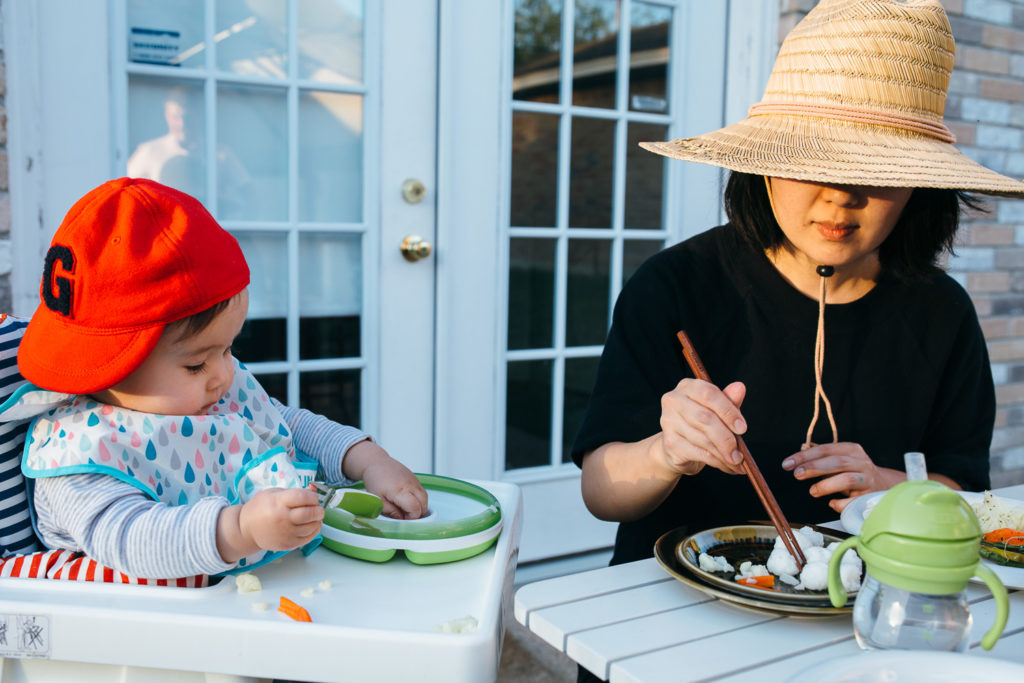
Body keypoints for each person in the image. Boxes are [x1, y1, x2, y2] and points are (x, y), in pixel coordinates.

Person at [572, 0, 1024, 577]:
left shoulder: (942, 313)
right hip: (672, 600)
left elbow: (963, 490)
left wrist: (892, 487)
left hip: (860, 605)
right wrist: (669, 451)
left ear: (921, 185)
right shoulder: (675, 284)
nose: (841, 194)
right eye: (814, 159)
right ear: (762, 164)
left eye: (877, 169)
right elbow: (600, 492)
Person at [2, 177, 427, 580]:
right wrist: (239, 530)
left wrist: (370, 461)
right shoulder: (78, 457)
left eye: (228, 350)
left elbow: (287, 425)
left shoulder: (200, 390)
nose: (224, 375)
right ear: (112, 364)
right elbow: (130, 538)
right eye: (196, 364)